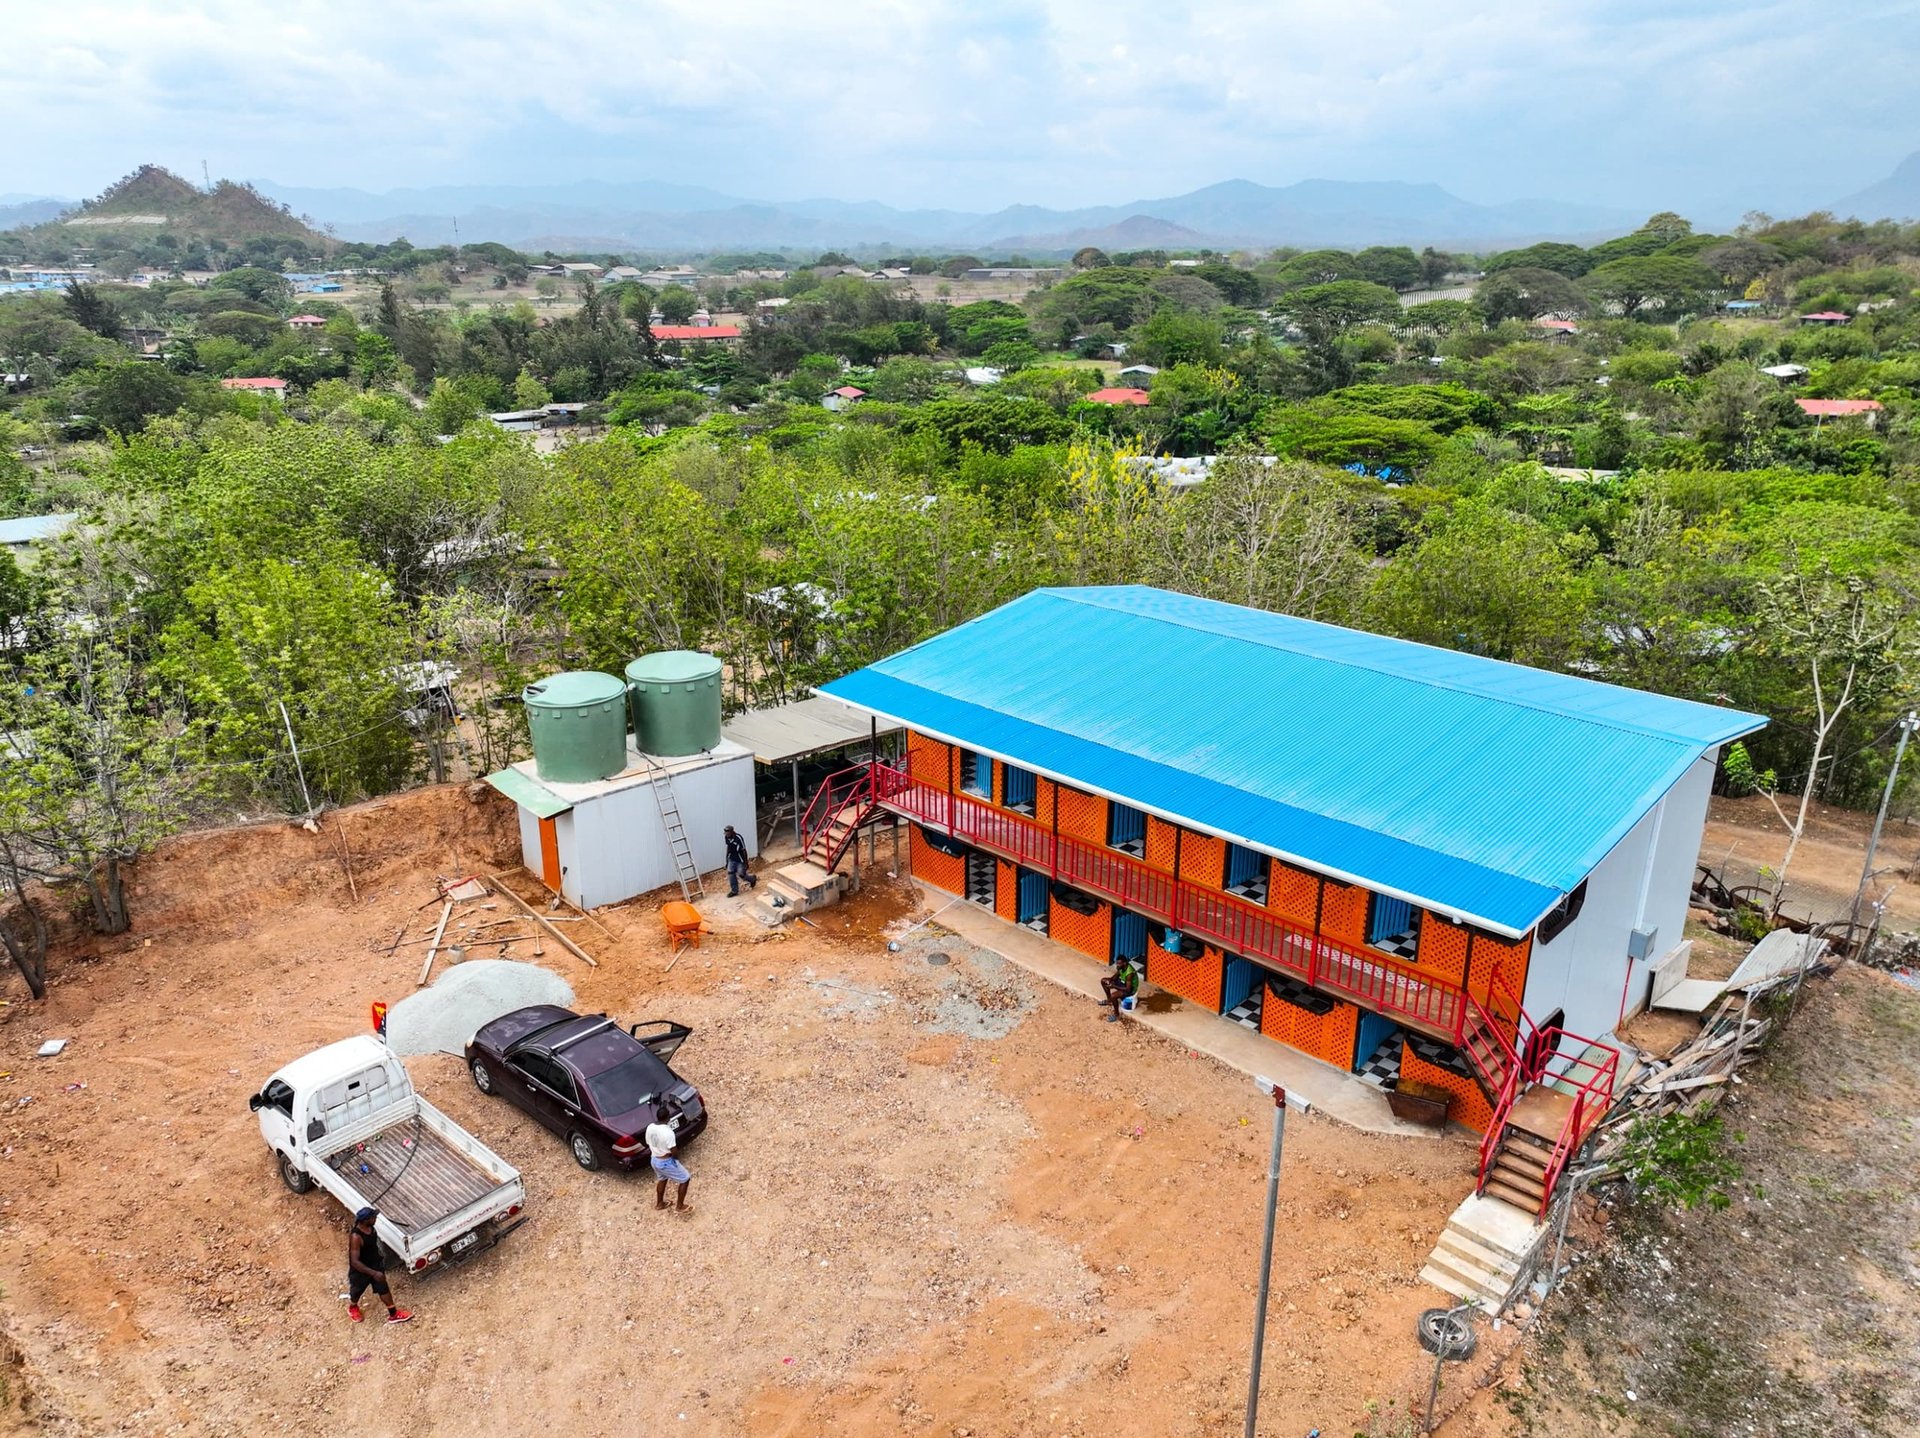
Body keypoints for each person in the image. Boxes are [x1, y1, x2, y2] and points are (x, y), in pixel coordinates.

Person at [347, 1207, 413, 1324]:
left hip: (375, 1264)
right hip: (360, 1270)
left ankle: (393, 1314)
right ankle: (353, 1307)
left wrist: (377, 1268)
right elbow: (354, 1262)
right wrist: (373, 1273)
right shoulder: (356, 1237)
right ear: (366, 1220)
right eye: (373, 1217)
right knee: (357, 1291)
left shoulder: (371, 1228)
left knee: (383, 1288)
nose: (375, 1218)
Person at [646, 1102, 693, 1213]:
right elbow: (674, 1150)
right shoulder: (668, 1132)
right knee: (685, 1179)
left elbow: (648, 1142)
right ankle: (680, 1206)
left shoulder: (650, 1127)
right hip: (665, 1161)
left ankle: (660, 1204)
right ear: (668, 1118)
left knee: (662, 1179)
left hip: (654, 1159)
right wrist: (675, 1160)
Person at [1100, 955, 1141, 1022]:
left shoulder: (1129, 974)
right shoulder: (1121, 968)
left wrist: (1114, 986)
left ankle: (1116, 1014)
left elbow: (1128, 989)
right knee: (1103, 981)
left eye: (1119, 963)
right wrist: (1110, 980)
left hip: (1130, 989)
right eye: (1117, 963)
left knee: (1114, 995)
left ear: (1124, 963)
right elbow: (1116, 976)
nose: (1117, 965)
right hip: (1123, 983)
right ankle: (1109, 1001)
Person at [724, 825, 756, 897]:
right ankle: (734, 891)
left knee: (741, 874)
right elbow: (728, 848)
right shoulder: (726, 837)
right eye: (725, 833)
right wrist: (726, 860)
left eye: (727, 833)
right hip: (731, 858)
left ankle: (752, 879)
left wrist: (746, 863)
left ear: (732, 832)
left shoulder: (738, 838)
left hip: (740, 859)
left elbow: (744, 850)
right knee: (730, 873)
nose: (726, 834)